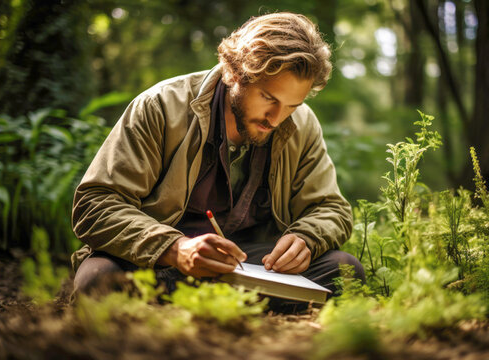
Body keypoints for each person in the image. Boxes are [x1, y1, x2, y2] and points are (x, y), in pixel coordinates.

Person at [70, 12, 365, 305]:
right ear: (234, 73)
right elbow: (95, 204)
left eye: (291, 105)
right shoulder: (160, 106)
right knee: (99, 279)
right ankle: (232, 302)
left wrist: (306, 239)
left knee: (345, 270)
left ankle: (187, 300)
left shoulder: (301, 124)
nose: (276, 119)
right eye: (269, 98)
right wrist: (175, 248)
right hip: (161, 259)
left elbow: (331, 208)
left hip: (253, 263)